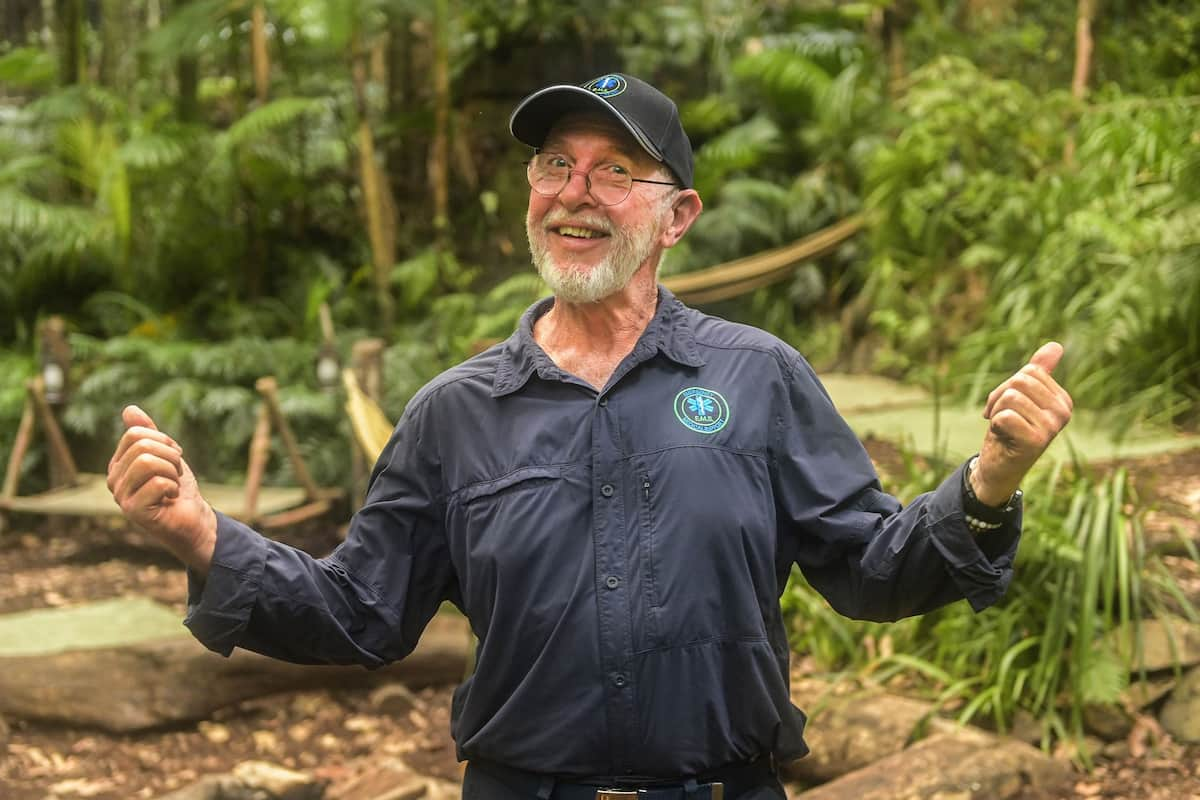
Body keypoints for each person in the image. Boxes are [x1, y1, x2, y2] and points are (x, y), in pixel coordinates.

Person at [107, 73, 1073, 800]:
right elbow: (364, 611)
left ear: (676, 216)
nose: (575, 191)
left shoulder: (758, 377)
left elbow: (871, 569)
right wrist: (202, 536)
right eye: (555, 164)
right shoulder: (454, 412)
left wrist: (989, 481)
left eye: (615, 170)